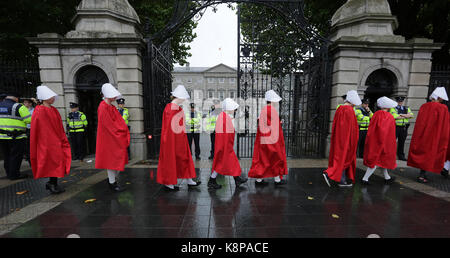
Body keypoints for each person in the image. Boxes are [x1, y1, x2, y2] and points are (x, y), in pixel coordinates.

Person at [157, 85, 201, 191]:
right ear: (179, 97)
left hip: (179, 138)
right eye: (184, 98)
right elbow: (169, 128)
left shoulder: (176, 108)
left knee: (184, 158)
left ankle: (188, 180)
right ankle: (169, 183)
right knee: (174, 160)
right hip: (173, 140)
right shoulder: (171, 108)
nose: (185, 100)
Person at [30, 86, 71, 194]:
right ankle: (52, 183)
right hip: (47, 142)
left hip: (55, 140)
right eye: (51, 96)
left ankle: (53, 183)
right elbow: (40, 129)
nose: (53, 98)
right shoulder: (39, 111)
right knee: (51, 162)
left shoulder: (53, 110)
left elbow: (58, 126)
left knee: (56, 161)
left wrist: (61, 138)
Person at [408, 87, 450, 184]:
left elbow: (420, 123)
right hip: (435, 135)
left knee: (424, 153)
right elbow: (445, 125)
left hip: (423, 134)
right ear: (439, 98)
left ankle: (422, 173)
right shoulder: (443, 108)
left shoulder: (424, 106)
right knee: (431, 154)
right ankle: (424, 174)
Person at [248, 90, 288, 186]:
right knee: (276, 159)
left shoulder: (264, 109)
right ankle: (277, 180)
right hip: (271, 140)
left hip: (264, 139)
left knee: (263, 159)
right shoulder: (272, 110)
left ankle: (259, 180)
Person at [95, 83, 130, 192]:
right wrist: (120, 132)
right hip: (110, 138)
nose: (115, 97)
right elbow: (109, 124)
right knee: (112, 161)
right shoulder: (103, 107)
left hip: (113, 137)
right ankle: (112, 183)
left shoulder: (110, 106)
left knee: (115, 160)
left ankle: (112, 181)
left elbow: (116, 122)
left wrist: (120, 131)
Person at [323, 90, 361, 188]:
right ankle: (329, 174)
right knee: (344, 158)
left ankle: (342, 180)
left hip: (339, 138)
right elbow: (350, 129)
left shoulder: (340, 108)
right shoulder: (349, 110)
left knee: (341, 158)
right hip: (346, 140)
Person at [208, 98, 247, 189]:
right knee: (223, 163)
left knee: (228, 163)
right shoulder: (224, 117)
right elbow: (223, 135)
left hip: (225, 146)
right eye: (233, 108)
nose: (234, 110)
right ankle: (212, 181)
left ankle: (236, 179)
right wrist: (224, 148)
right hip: (225, 146)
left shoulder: (224, 116)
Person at [361, 97, 398, 185]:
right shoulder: (388, 116)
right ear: (388, 107)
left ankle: (387, 177)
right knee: (377, 160)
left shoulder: (376, 114)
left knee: (382, 160)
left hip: (374, 140)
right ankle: (365, 179)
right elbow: (386, 131)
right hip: (384, 141)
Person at [0, 92, 31, 180]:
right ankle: (14, 175)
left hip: (2, 136)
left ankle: (9, 174)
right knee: (16, 156)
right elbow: (29, 120)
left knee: (7, 155)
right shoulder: (19, 106)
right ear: (16, 98)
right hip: (16, 137)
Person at [389, 96, 414, 161]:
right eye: (398, 101)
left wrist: (401, 115)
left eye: (401, 101)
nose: (400, 102)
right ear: (396, 102)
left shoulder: (406, 108)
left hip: (404, 128)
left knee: (402, 142)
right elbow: (395, 116)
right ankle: (390, 155)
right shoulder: (393, 109)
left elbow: (411, 115)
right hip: (396, 127)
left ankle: (401, 156)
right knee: (392, 142)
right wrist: (406, 116)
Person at [22, 98, 36, 164]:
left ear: (30, 104)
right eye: (24, 102)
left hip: (31, 129)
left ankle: (32, 156)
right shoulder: (22, 110)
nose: (24, 104)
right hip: (24, 129)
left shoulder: (34, 110)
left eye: (26, 102)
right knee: (25, 144)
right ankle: (27, 155)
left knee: (31, 144)